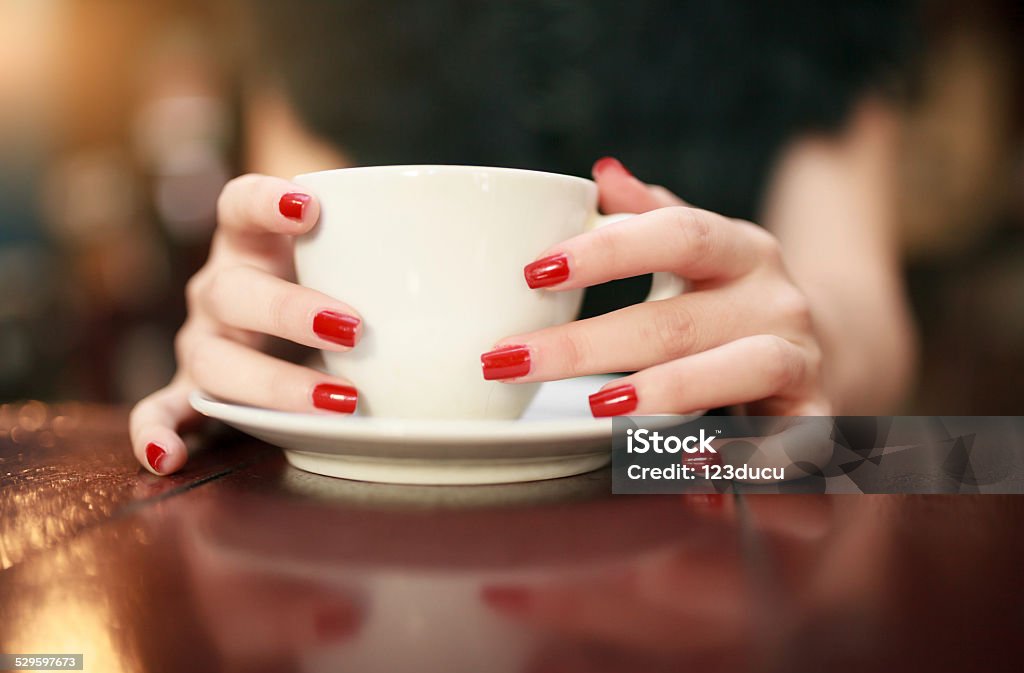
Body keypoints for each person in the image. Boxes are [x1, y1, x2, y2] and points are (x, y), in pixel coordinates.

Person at [131, 1, 917, 474]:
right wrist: (251, 339)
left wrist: (801, 346)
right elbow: (298, 222)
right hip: (368, 514)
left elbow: (861, 307)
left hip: (700, 480)